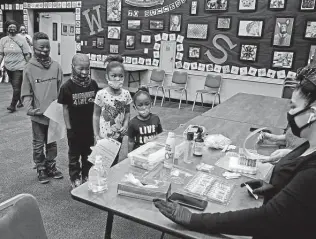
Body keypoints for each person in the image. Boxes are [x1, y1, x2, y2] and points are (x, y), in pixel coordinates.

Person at [154, 65, 316, 239]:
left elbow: (266, 218)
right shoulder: (308, 145)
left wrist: (194, 219)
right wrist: (277, 188)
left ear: (312, 114)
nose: (289, 113)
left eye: (293, 107)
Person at [21, 32, 63, 184]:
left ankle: (51, 166)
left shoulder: (56, 67)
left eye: (47, 47)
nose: (45, 50)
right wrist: (30, 109)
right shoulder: (29, 68)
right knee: (38, 143)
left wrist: (61, 108)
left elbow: (60, 90)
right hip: (38, 115)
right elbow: (26, 92)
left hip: (53, 114)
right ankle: (41, 168)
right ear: (33, 48)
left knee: (52, 142)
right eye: (40, 48)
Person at [58, 54, 99, 188]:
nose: (84, 72)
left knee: (89, 154)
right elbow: (65, 109)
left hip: (89, 127)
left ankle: (87, 175)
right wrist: (69, 128)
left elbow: (97, 107)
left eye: (87, 68)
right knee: (74, 156)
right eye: (80, 69)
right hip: (74, 128)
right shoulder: (67, 87)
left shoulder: (93, 84)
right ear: (72, 67)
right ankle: (75, 177)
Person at [93, 55, 132, 166]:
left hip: (118, 136)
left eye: (120, 76)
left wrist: (125, 125)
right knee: (101, 162)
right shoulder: (101, 94)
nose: (117, 79)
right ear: (107, 76)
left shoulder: (126, 94)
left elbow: (128, 112)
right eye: (113, 76)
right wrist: (96, 134)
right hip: (103, 136)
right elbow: (96, 115)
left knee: (114, 160)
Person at [0, 20, 31, 112]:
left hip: (20, 66)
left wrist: (29, 66)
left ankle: (12, 105)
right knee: (16, 86)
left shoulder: (22, 39)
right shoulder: (3, 40)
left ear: (16, 28)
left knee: (16, 87)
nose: (12, 28)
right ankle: (20, 101)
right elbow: (1, 54)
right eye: (10, 26)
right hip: (8, 67)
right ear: (7, 28)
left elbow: (27, 54)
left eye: (14, 26)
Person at [128, 87, 163, 152]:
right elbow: (130, 141)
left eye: (147, 104)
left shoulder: (156, 118)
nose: (144, 108)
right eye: (140, 105)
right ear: (135, 107)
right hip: (139, 152)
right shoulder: (132, 123)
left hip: (154, 151)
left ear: (151, 104)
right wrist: (129, 155)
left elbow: (160, 135)